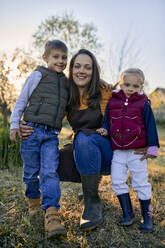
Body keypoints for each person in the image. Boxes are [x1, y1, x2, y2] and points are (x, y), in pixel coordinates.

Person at [20, 49, 113, 232]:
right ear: (71, 69)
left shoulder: (105, 91)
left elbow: (134, 104)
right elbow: (48, 116)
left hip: (107, 151)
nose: (81, 71)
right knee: (49, 160)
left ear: (94, 72)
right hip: (81, 148)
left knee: (84, 138)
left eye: (88, 67)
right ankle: (90, 186)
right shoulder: (66, 93)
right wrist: (25, 124)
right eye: (77, 66)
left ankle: (91, 200)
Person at [10, 40, 69, 237]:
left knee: (50, 172)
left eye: (64, 58)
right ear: (45, 57)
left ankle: (51, 213)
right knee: (30, 172)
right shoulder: (38, 75)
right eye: (56, 57)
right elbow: (21, 100)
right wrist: (14, 124)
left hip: (51, 135)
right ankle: (33, 200)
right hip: (31, 132)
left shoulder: (66, 83)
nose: (61, 61)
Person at [97, 68, 159, 232]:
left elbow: (151, 125)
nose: (130, 88)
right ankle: (128, 213)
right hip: (118, 151)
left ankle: (147, 217)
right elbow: (107, 121)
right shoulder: (113, 101)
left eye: (135, 86)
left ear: (141, 86)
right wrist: (105, 129)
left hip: (137, 152)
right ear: (120, 83)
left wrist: (152, 148)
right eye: (126, 84)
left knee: (140, 183)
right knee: (116, 180)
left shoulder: (143, 103)